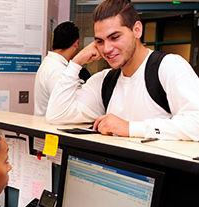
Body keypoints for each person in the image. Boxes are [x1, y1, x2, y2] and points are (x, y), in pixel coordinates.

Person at [46, 0, 199, 141]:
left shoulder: (168, 66)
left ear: (137, 30)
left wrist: (129, 127)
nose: (106, 49)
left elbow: (196, 123)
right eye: (100, 41)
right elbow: (57, 115)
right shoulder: (105, 80)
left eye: (115, 37)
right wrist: (76, 62)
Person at [34, 21, 80, 116]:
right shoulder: (58, 70)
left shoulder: (50, 63)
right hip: (50, 127)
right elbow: (65, 108)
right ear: (76, 43)